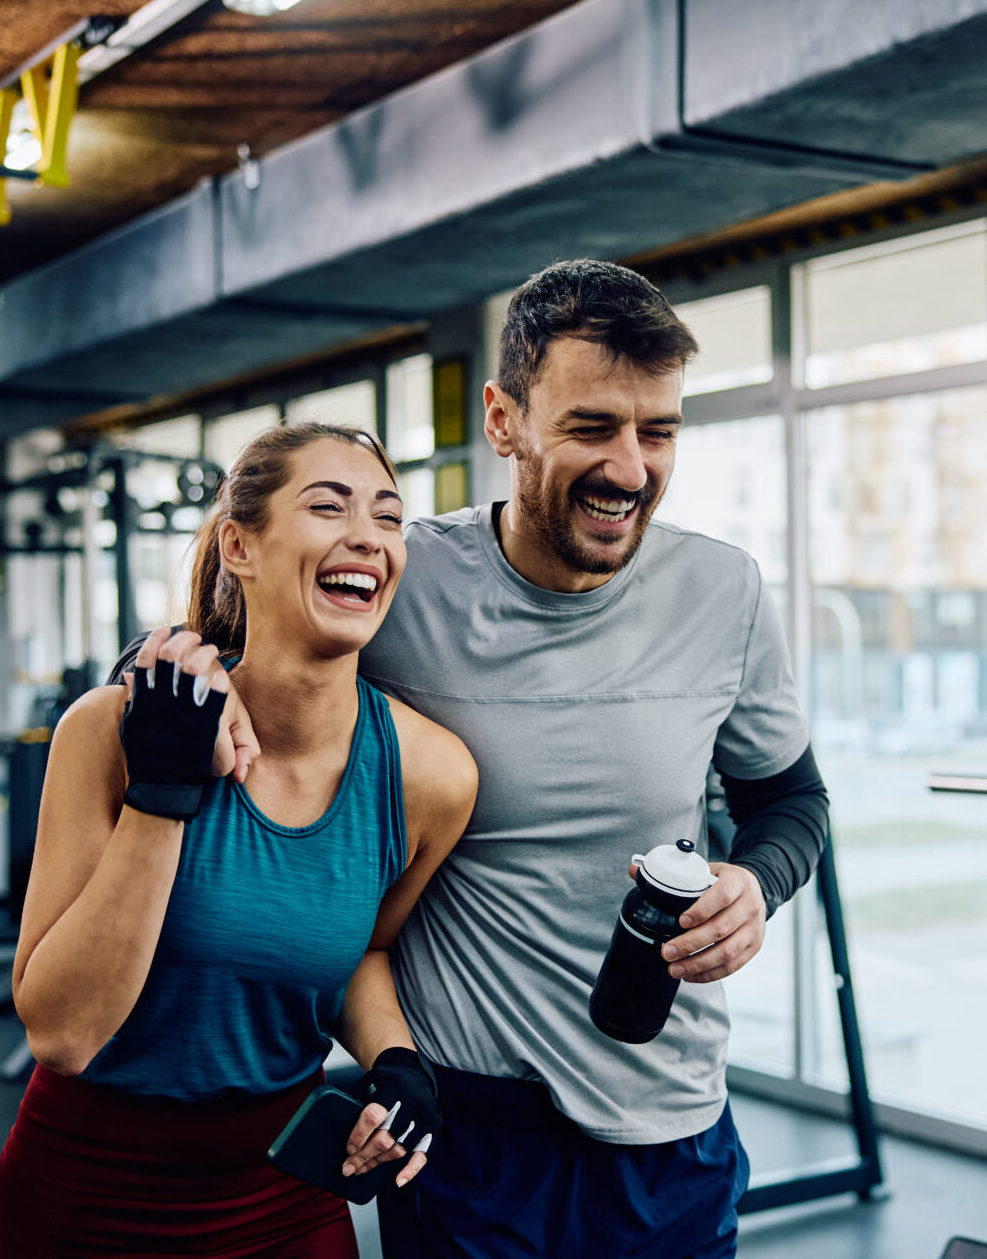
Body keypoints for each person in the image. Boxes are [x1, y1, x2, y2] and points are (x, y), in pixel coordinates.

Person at [124, 260, 831, 1258]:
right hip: (471, 1132)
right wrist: (171, 667)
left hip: (668, 1121)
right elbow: (234, 634)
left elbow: (793, 799)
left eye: (658, 430)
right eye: (592, 426)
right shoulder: (406, 578)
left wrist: (756, 881)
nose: (631, 466)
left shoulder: (724, 590)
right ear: (505, 421)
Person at [0, 423, 478, 1259]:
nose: (367, 534)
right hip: (87, 1190)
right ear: (240, 546)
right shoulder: (108, 730)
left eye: (389, 518)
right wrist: (164, 792)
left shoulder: (430, 776)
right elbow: (62, 1035)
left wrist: (397, 1061)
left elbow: (366, 950)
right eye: (328, 506)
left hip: (284, 1194)